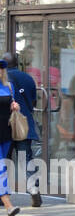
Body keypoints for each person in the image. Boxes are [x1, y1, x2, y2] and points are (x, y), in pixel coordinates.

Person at [2, 53, 41, 207]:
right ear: (17, 63)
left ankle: (3, 195)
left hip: (5, 127)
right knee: (26, 159)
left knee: (4, 160)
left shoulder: (3, 81)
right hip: (24, 126)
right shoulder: (28, 78)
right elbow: (32, 101)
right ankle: (33, 189)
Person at [0, 61, 22, 216]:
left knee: (3, 167)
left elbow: (11, 105)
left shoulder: (9, 86)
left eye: (1, 69)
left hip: (6, 131)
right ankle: (8, 205)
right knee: (0, 167)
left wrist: (15, 107)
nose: (0, 71)